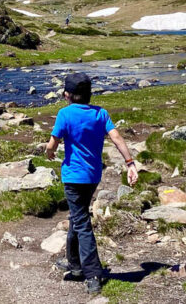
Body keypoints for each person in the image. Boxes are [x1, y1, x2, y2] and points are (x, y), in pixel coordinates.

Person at [45, 73, 138, 294]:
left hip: (73, 177)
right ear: (89, 94)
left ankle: (93, 273)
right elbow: (117, 138)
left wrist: (49, 152)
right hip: (93, 175)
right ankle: (75, 265)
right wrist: (130, 163)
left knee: (82, 223)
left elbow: (52, 143)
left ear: (66, 94)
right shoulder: (101, 113)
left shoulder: (64, 114)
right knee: (77, 218)